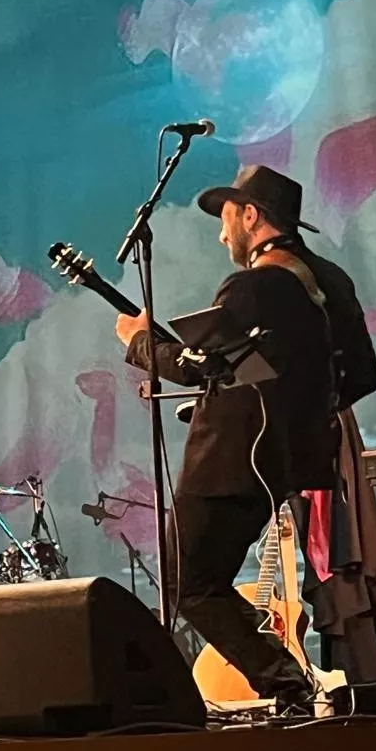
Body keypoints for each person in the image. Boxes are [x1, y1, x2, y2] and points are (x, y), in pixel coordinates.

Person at [113, 165, 338, 710]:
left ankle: (287, 685)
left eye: (227, 218)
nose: (221, 233)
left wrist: (140, 342)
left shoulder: (253, 285)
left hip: (232, 461)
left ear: (252, 216)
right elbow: (351, 372)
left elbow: (197, 368)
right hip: (282, 459)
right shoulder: (320, 283)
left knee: (190, 585)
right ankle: (288, 686)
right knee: (203, 580)